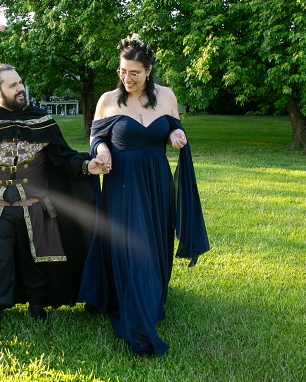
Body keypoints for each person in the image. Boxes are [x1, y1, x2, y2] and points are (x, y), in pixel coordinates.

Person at [0, 62, 107, 358]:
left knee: (36, 261)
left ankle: (37, 306)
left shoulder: (41, 120)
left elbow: (62, 157)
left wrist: (86, 166)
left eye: (20, 83)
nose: (21, 89)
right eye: (13, 86)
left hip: (35, 208)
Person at [79, 35, 210, 357]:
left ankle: (153, 297)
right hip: (122, 183)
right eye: (123, 71)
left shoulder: (166, 96)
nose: (127, 79)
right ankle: (138, 321)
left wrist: (176, 134)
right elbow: (96, 137)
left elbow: (173, 128)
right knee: (132, 246)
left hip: (156, 182)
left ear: (149, 71)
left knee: (155, 242)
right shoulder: (108, 100)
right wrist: (103, 150)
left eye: (134, 73)